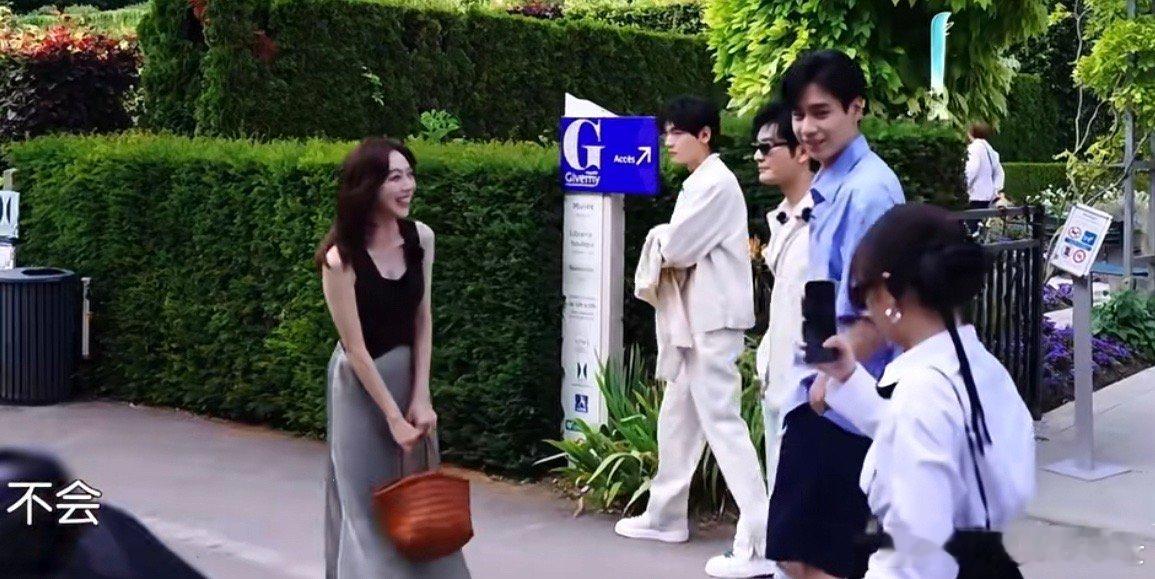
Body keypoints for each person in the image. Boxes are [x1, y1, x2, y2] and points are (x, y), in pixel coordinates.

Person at [814, 204, 1036, 578]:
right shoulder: (981, 370)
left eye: (861, 293)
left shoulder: (923, 393)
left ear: (888, 293)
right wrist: (848, 377)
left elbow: (916, 559)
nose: (865, 310)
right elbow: (937, 439)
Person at [616, 96, 775, 579]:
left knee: (721, 422)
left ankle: (762, 535)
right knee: (678, 418)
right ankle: (666, 515)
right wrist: (665, 236)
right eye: (667, 132)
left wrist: (660, 234)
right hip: (698, 319)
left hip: (711, 321)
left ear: (704, 135)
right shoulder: (703, 182)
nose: (668, 141)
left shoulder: (716, 184)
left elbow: (678, 247)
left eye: (676, 132)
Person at [765, 49, 905, 579]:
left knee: (824, 565)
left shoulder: (868, 192)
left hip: (843, 405)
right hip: (820, 393)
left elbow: (884, 306)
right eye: (800, 114)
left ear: (856, 108)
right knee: (797, 557)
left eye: (821, 112)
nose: (807, 127)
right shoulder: (833, 185)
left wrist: (830, 388)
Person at [316, 137, 470, 578]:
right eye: (395, 177)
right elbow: (355, 349)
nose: (408, 186)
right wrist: (392, 416)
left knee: (420, 500)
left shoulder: (421, 238)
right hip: (360, 388)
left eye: (410, 175)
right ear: (368, 187)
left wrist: (421, 397)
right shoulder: (339, 259)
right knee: (367, 505)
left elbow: (423, 318)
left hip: (408, 379)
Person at [750, 101, 817, 498]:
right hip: (776, 379)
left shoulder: (825, 219)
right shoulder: (781, 219)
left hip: (809, 388)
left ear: (802, 152)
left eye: (767, 147)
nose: (758, 157)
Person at [965, 122, 1005, 210]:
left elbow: (971, 170)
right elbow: (999, 173)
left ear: (971, 133)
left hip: (975, 195)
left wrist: (963, 186)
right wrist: (995, 190)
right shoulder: (991, 151)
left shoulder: (974, 148)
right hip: (988, 196)